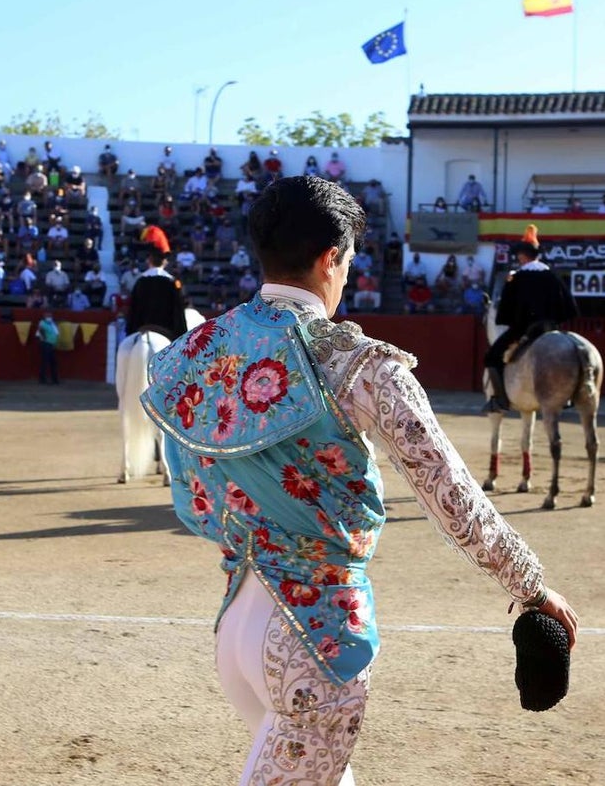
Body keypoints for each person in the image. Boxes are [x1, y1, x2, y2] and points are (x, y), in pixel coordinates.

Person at [142, 175, 577, 785]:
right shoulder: (358, 364)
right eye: (348, 261)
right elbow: (453, 497)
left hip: (238, 619)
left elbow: (189, 485)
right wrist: (531, 587)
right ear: (331, 258)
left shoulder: (201, 349)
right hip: (314, 640)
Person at [483, 225, 578, 413]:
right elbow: (568, 303)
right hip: (551, 328)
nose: (518, 258)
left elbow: (507, 308)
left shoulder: (517, 278)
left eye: (519, 255)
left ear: (523, 256)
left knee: (492, 357)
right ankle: (568, 396)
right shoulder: (552, 276)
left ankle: (500, 400)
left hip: (525, 329)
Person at [126, 246, 188, 340]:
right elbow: (178, 308)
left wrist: (131, 330)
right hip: (166, 327)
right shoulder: (171, 282)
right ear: (165, 262)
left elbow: (133, 307)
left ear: (148, 261)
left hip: (142, 326)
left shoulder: (140, 281)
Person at [36, 311, 60, 384]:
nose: (49, 317)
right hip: (46, 344)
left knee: (52, 362)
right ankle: (42, 379)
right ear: (44, 316)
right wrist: (44, 338)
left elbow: (56, 333)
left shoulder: (52, 323)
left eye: (50, 316)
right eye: (47, 316)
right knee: (46, 362)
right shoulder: (42, 322)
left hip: (51, 344)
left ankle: (54, 379)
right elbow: (40, 331)